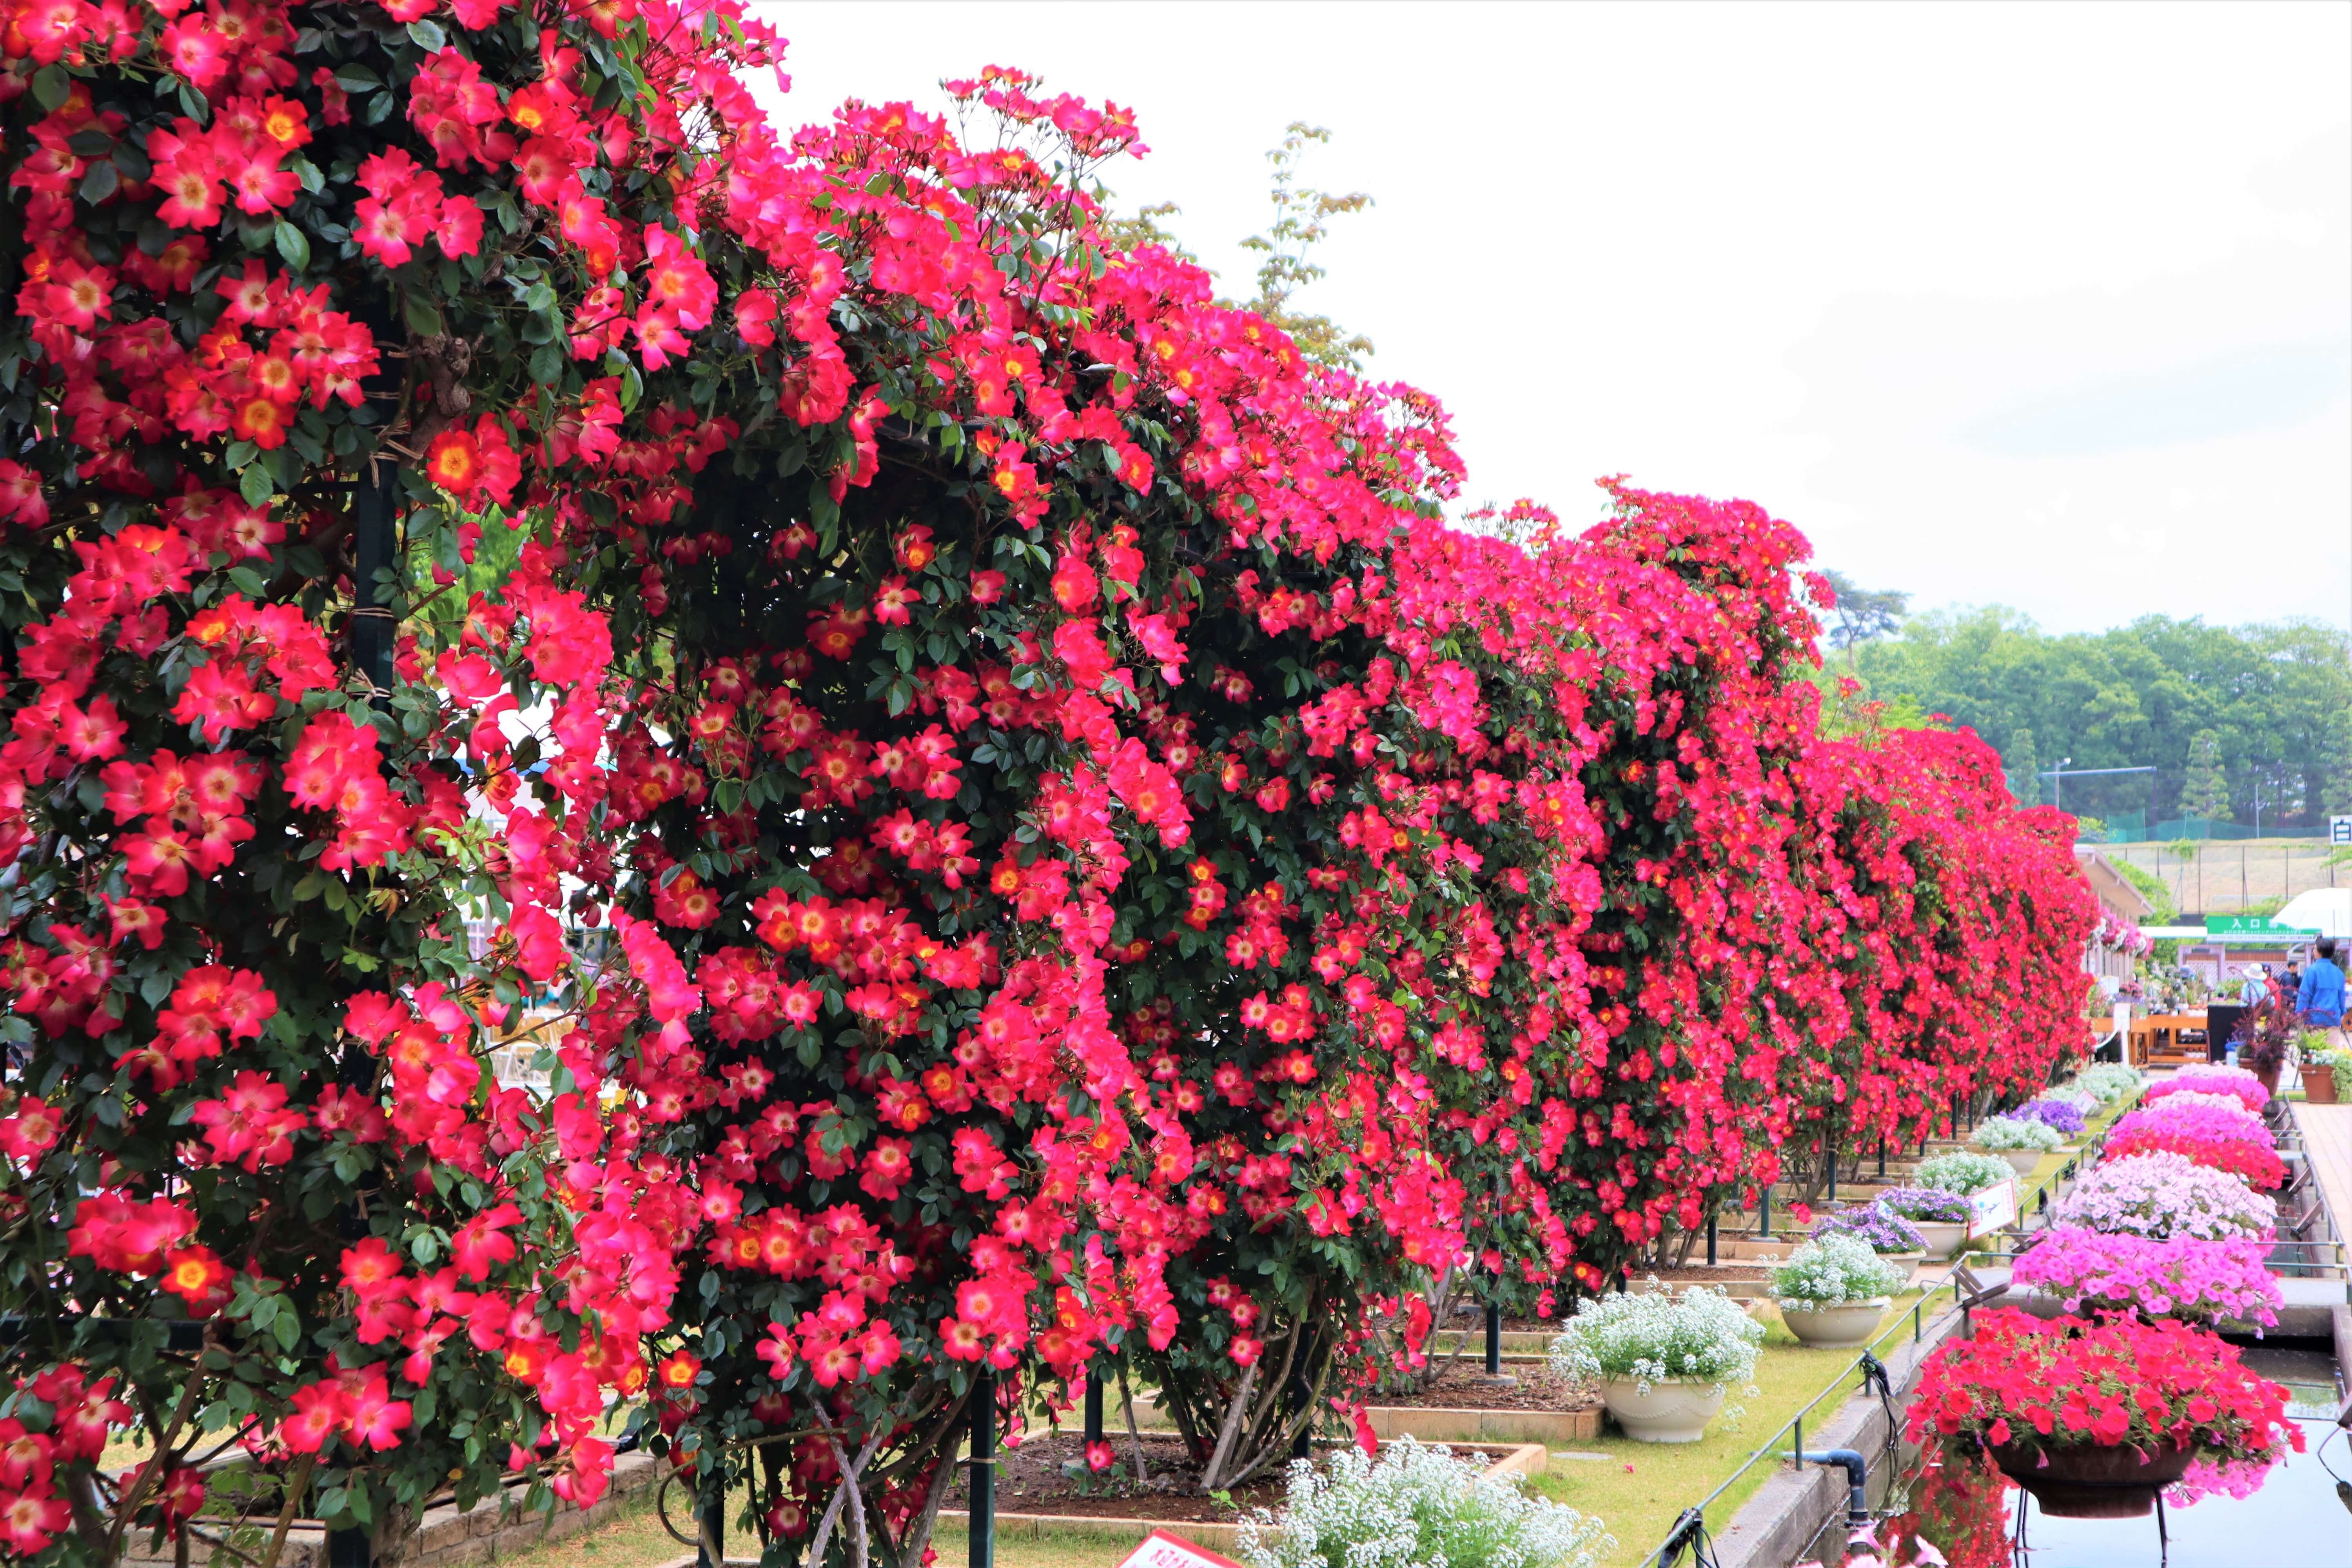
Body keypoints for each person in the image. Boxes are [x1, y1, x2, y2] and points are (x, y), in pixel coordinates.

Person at [2296, 938, 2347, 1050]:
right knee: (2332, 1055)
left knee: (2313, 1054)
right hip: (2333, 1019)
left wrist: (2300, 1014)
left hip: (2314, 1021)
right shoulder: (2339, 973)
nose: (2313, 951)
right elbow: (2341, 998)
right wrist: (2342, 1013)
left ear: (2319, 951)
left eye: (2314, 949)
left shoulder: (2312, 971)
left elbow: (2305, 995)